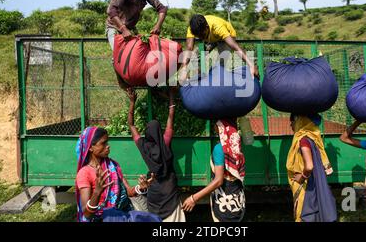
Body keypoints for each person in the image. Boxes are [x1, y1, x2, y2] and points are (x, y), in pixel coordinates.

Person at [75, 126, 159, 222]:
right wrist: (97, 192)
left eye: (107, 142)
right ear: (90, 147)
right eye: (103, 143)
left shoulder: (112, 165)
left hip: (121, 215)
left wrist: (140, 187)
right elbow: (86, 213)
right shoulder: (84, 173)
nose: (108, 146)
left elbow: (128, 192)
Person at [126, 87, 186, 222]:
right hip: (170, 191)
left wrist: (132, 102)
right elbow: (171, 117)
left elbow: (131, 126)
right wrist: (171, 96)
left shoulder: (143, 146)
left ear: (147, 133)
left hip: (155, 195)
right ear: (159, 131)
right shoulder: (165, 142)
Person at [182, 119, 246, 222]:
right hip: (238, 203)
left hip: (225, 206)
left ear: (222, 128)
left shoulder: (219, 149)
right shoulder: (236, 146)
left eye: (216, 125)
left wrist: (194, 198)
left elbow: (218, 180)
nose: (214, 128)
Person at [286, 114, 337, 222]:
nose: (291, 124)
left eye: (293, 121)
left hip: (305, 185)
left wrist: (302, 176)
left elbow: (309, 166)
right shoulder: (313, 139)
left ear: (301, 122)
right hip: (312, 182)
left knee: (304, 213)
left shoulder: (303, 140)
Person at [179, 14, 259, 81]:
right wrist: (184, 67)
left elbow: (235, 46)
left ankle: (219, 82)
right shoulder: (192, 28)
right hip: (211, 38)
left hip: (226, 37)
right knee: (194, 57)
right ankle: (199, 82)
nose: (201, 38)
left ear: (207, 27)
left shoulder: (218, 27)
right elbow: (189, 48)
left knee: (220, 64)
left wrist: (250, 64)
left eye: (202, 35)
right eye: (198, 36)